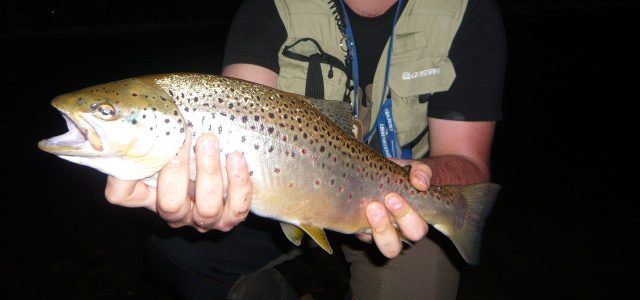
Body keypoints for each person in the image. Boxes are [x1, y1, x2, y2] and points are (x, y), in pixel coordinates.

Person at [104, 0, 506, 299]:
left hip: (399, 202)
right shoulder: (269, 7)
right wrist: (204, 194)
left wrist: (425, 182)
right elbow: (236, 107)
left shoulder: (467, 13)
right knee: (178, 255)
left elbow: (468, 162)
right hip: (283, 184)